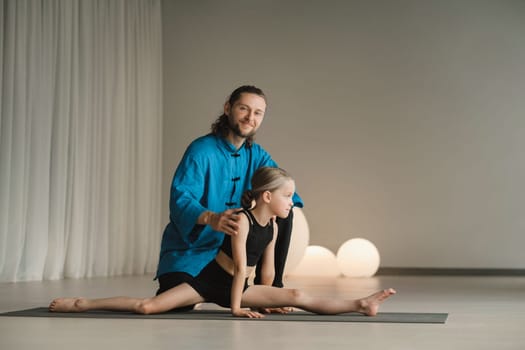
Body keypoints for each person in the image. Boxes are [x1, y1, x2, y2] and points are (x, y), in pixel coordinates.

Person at [49, 167, 396, 318]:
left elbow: (267, 270)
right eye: (287, 196)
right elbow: (240, 267)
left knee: (296, 296)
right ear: (264, 196)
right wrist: (236, 308)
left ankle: (361, 305)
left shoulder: (273, 224)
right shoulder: (241, 221)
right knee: (147, 308)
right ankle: (80, 303)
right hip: (210, 283)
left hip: (241, 286)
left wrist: (267, 298)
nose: (292, 201)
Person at [156, 85, 303, 312]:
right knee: (174, 306)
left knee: (285, 210)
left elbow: (286, 192)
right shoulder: (200, 151)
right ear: (228, 108)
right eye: (243, 109)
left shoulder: (257, 155)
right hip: (191, 252)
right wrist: (210, 218)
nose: (249, 117)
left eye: (257, 113)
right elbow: (180, 199)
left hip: (231, 257)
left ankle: (273, 289)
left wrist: (258, 198)